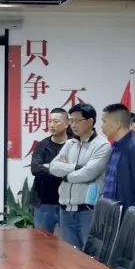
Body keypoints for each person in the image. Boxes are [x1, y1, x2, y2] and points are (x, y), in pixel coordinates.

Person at [48, 103, 111, 249]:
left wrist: (65, 175)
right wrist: (75, 167)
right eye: (71, 121)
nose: (73, 125)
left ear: (90, 121)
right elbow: (53, 167)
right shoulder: (70, 143)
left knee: (89, 254)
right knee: (70, 255)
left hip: (88, 210)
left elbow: (88, 173)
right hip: (65, 209)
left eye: (77, 121)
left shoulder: (102, 145)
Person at [100, 104, 135, 210]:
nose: (102, 126)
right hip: (112, 211)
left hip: (128, 213)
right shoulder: (116, 146)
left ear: (117, 124)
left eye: (104, 121)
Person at [30, 108, 69, 234]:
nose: (51, 125)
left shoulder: (74, 144)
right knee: (42, 240)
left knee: (69, 241)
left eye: (56, 121)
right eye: (49, 121)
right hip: (44, 202)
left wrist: (48, 167)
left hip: (68, 203)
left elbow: (76, 169)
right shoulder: (42, 145)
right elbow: (35, 169)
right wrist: (61, 169)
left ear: (66, 124)